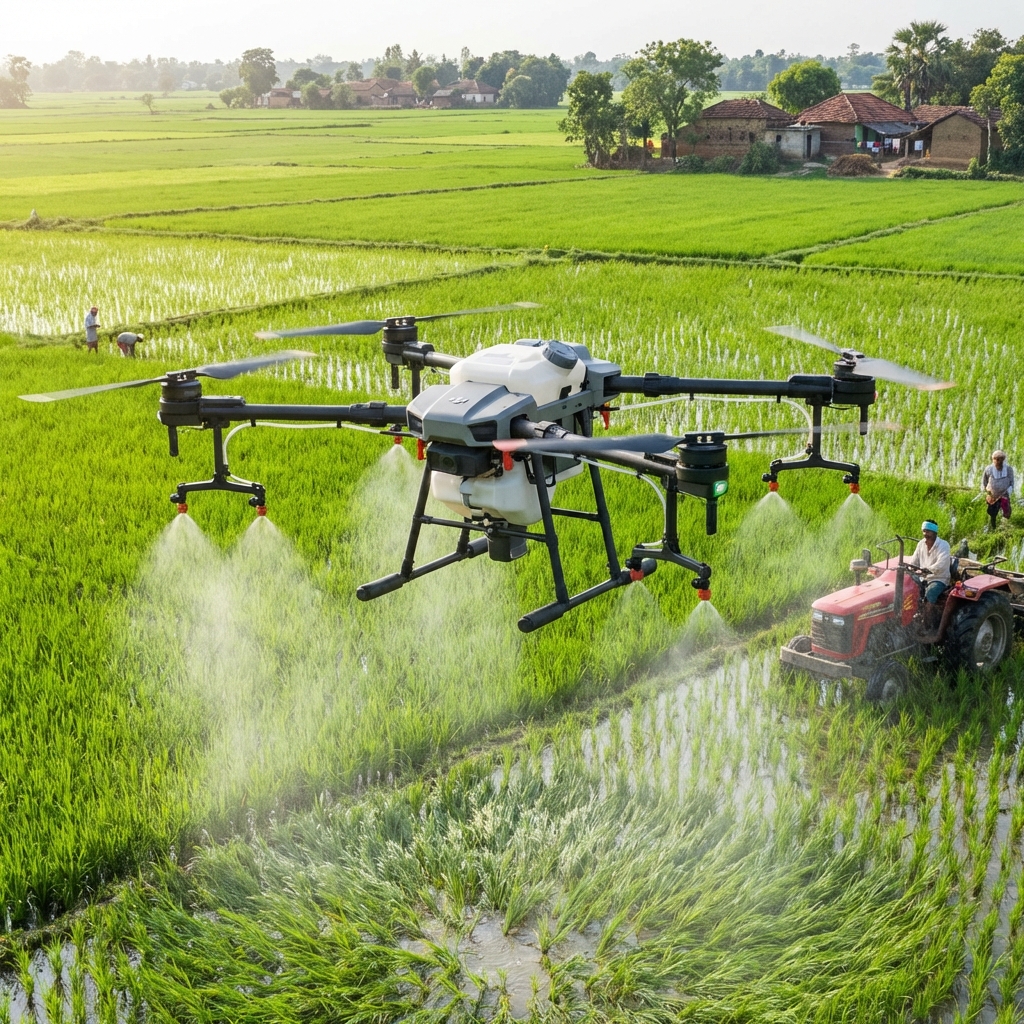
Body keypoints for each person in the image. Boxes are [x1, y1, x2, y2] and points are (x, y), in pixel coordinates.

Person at [908, 519, 951, 630]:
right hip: (923, 577)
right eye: (924, 531)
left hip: (939, 578)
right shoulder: (921, 544)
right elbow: (914, 562)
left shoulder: (944, 545)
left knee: (930, 593)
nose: (925, 534)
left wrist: (926, 570)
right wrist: (909, 569)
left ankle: (926, 624)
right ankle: (910, 617)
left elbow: (941, 565)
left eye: (928, 531)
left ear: (935, 532)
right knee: (908, 590)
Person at [982, 450, 1014, 529]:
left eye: (1000, 460)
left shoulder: (1009, 469)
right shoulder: (988, 469)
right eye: (996, 460)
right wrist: (988, 492)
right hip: (992, 496)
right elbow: (984, 482)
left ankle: (1004, 528)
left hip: (1004, 494)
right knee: (992, 513)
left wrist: (1008, 492)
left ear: (1003, 460)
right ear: (993, 460)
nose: (998, 462)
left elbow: (1012, 483)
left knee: (1006, 512)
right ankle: (993, 527)